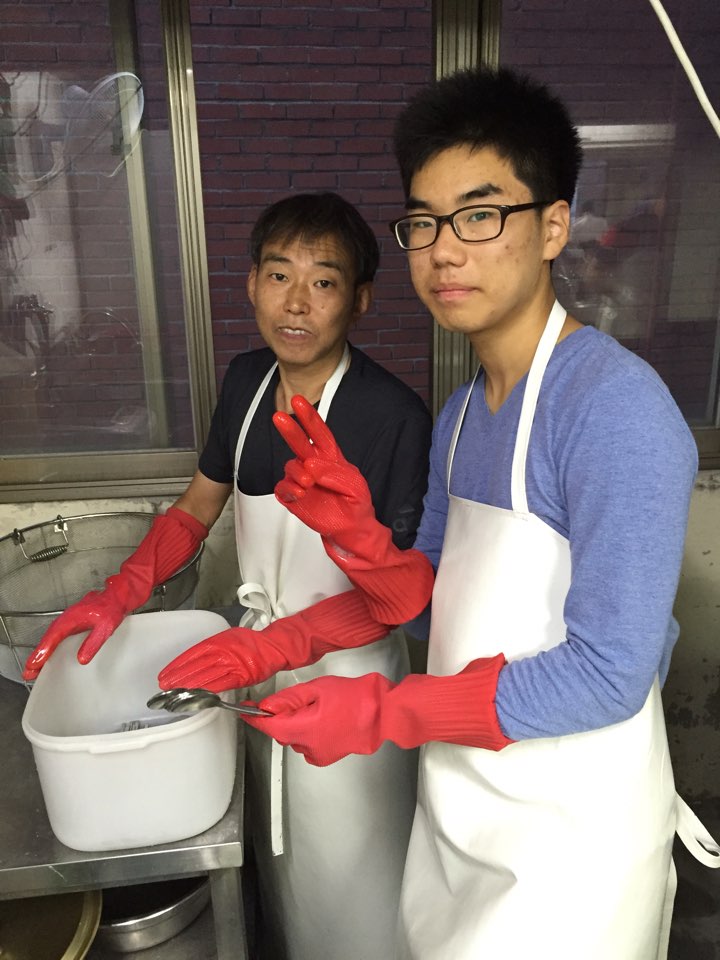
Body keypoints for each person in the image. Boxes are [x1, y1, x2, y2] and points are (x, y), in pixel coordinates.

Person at [185, 68, 720, 958]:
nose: (443, 251)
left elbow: (608, 674)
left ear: (553, 227)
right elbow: (423, 602)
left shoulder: (613, 410)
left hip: (570, 845)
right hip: (460, 806)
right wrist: (313, 603)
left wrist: (384, 711)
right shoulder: (463, 415)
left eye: (480, 216)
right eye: (424, 222)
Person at [23, 191, 434, 960]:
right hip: (254, 670)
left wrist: (276, 646)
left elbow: (396, 599)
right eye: (279, 275)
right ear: (251, 283)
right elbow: (195, 509)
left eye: (323, 281)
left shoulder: (393, 416)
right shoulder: (246, 382)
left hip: (349, 685)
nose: (296, 302)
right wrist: (122, 590)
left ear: (360, 299)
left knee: (356, 882)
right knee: (280, 868)